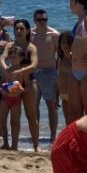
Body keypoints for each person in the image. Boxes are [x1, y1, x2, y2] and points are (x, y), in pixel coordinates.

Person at [0, 19, 39, 151]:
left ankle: (36, 146)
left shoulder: (31, 47)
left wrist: (19, 71)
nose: (19, 31)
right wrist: (7, 70)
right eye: (16, 28)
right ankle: (10, 144)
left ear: (28, 30)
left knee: (31, 115)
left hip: (28, 82)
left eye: (22, 29)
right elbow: (2, 59)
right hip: (11, 83)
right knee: (13, 117)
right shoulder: (10, 45)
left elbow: (34, 65)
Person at [29, 9, 61, 143]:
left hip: (50, 73)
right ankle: (35, 135)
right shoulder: (29, 34)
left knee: (52, 106)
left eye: (44, 19)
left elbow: (61, 55)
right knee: (33, 106)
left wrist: (61, 75)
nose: (42, 22)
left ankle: (53, 136)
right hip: (33, 73)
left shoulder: (54, 35)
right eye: (39, 20)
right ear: (34, 20)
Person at [55, 31, 75, 127]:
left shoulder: (75, 58)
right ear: (59, 44)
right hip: (63, 95)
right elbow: (58, 78)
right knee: (68, 122)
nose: (65, 44)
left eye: (68, 42)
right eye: (63, 42)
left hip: (74, 95)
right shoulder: (59, 59)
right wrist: (56, 97)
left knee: (75, 121)